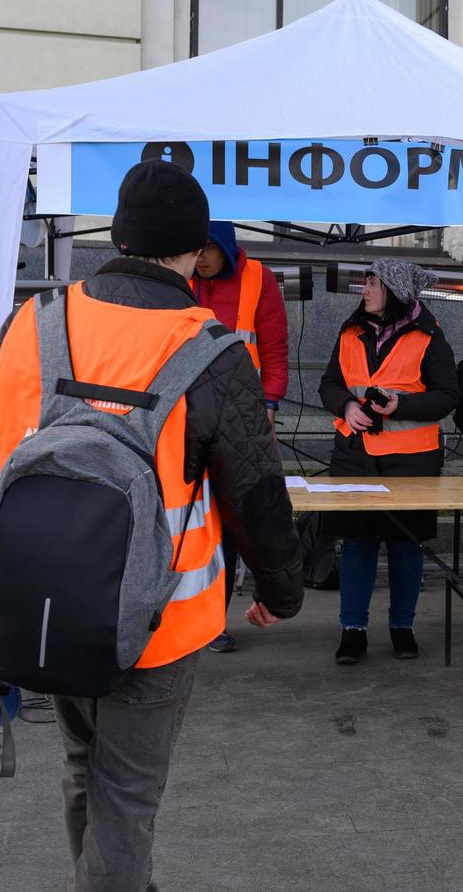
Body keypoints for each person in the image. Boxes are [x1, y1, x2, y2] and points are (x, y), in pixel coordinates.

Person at [0, 158, 303, 890]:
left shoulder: (29, 327)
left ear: (119, 239)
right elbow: (257, 493)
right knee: (127, 793)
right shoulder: (213, 352)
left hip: (38, 602)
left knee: (82, 765)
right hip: (160, 620)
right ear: (197, 252)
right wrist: (281, 589)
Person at [319, 258, 458, 663]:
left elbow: (448, 396)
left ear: (395, 292)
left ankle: (403, 628)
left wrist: (401, 404)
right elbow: (330, 382)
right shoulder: (350, 331)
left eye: (372, 283)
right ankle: (353, 631)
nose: (364, 290)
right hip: (355, 456)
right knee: (358, 544)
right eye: (365, 282)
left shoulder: (431, 337)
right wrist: (346, 406)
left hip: (412, 461)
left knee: (405, 545)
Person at [191, 220, 290, 652]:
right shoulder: (180, 276)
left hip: (240, 421)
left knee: (231, 525)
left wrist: (268, 406)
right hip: (186, 418)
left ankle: (215, 621)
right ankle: (188, 616)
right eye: (197, 248)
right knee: (188, 523)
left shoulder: (258, 279)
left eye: (210, 248)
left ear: (227, 249)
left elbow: (274, 350)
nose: (201, 257)